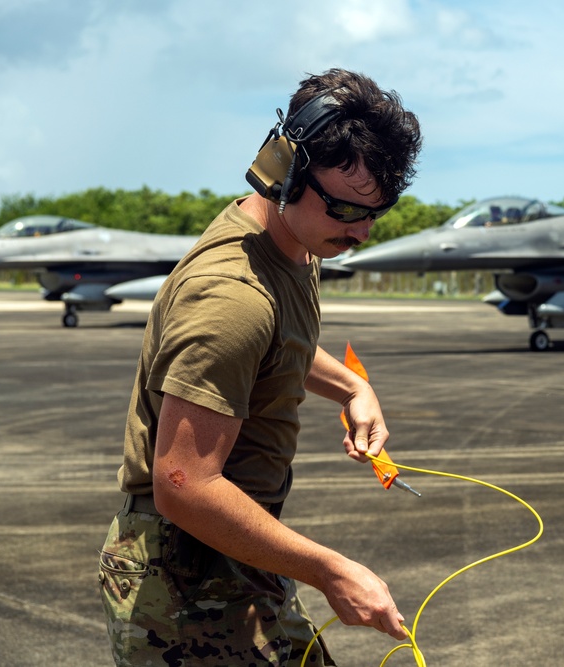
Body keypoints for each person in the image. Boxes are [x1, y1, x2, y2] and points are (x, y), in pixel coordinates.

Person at [98, 68, 422, 666]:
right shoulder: (231, 297)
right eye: (347, 208)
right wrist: (332, 570)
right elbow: (184, 485)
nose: (362, 230)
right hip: (183, 581)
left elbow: (280, 341)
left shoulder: (295, 240)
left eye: (378, 210)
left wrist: (353, 386)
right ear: (286, 172)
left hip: (235, 553)